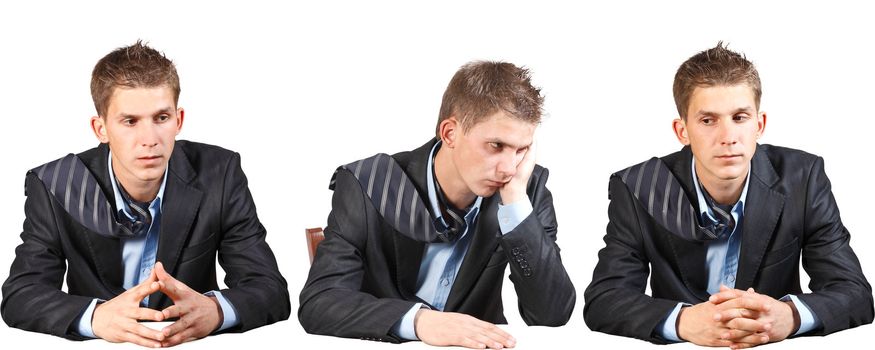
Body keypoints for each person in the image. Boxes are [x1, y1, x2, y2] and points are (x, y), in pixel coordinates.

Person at [1, 41, 290, 347]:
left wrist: (217, 311)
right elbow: (21, 295)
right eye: (130, 121)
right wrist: (95, 318)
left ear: (178, 120)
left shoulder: (220, 173)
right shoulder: (56, 184)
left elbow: (270, 290)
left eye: (161, 118)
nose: (149, 139)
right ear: (100, 129)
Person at [583, 42, 873, 347]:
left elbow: (855, 294)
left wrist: (790, 316)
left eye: (740, 118)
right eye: (708, 120)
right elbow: (604, 300)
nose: (728, 138)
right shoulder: (639, 186)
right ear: (682, 131)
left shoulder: (803, 178)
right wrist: (683, 321)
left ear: (759, 124)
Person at [299, 61, 575, 348]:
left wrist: (516, 203)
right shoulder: (367, 183)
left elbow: (551, 314)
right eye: (496, 146)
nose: (509, 168)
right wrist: (419, 321)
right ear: (450, 133)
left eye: (521, 149)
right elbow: (319, 302)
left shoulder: (522, 188)